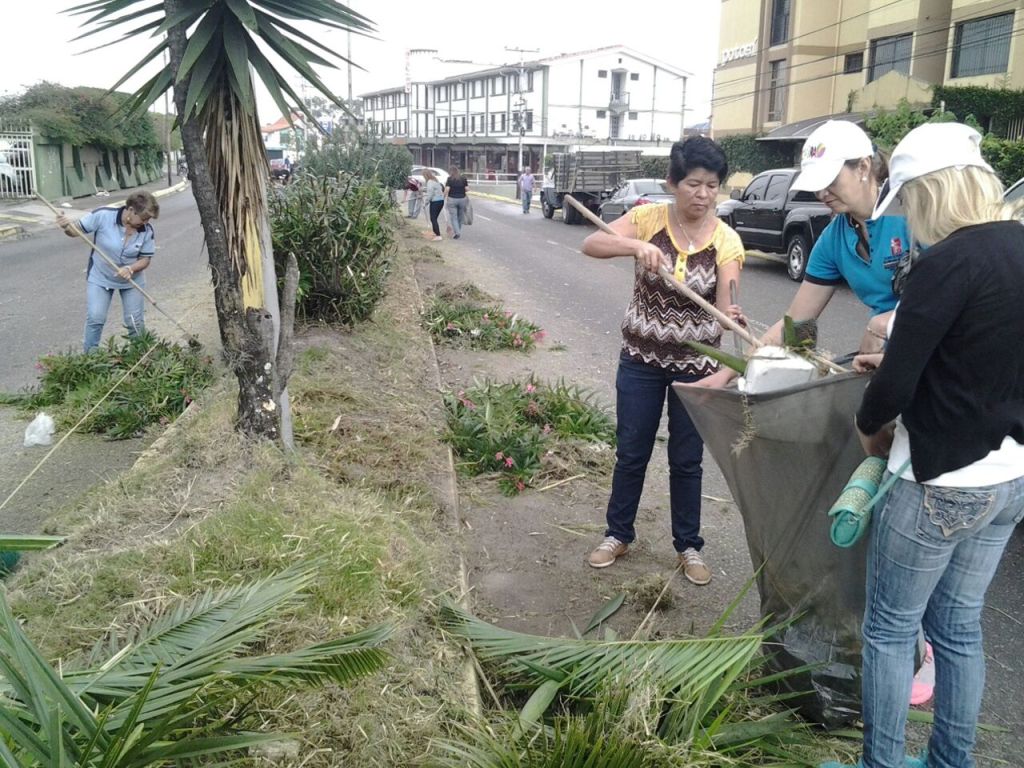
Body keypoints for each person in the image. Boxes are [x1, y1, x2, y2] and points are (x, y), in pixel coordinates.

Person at [833, 123, 1024, 768]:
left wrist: (870, 430)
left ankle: (879, 764)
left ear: (930, 193)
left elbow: (890, 392)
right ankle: (950, 762)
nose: (908, 219)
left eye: (909, 203)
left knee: (889, 631)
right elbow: (984, 353)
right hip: (1010, 477)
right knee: (961, 628)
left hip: (940, 483)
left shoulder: (944, 262)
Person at [582, 136, 745, 585]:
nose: (703, 194)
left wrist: (732, 314)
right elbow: (592, 244)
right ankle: (618, 534)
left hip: (698, 369)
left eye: (713, 186)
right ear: (673, 183)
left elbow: (729, 300)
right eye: (694, 184)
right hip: (640, 359)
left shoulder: (727, 240)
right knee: (631, 452)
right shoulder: (649, 218)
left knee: (687, 460)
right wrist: (635, 248)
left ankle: (688, 546)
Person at [703, 120, 909, 387]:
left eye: (830, 181)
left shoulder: (911, 215)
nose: (822, 193)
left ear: (863, 167)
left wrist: (887, 322)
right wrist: (730, 373)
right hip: (883, 356)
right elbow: (796, 322)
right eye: (817, 184)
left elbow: (956, 293)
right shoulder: (834, 239)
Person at [55, 191, 159, 352]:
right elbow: (75, 231)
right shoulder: (103, 215)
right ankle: (90, 359)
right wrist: (65, 226)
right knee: (96, 318)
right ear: (131, 210)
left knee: (134, 322)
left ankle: (140, 357)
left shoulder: (147, 230)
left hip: (132, 280)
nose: (146, 222)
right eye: (144, 218)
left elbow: (145, 259)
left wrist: (130, 268)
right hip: (100, 276)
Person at [444, 166, 469, 239]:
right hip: (462, 199)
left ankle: (457, 232)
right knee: (460, 217)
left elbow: (447, 189)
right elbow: (467, 189)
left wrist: (444, 196)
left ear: (451, 172)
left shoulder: (449, 179)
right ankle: (458, 231)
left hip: (452, 199)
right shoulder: (463, 179)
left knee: (454, 217)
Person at [422, 169, 445, 241]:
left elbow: (430, 194)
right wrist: (423, 190)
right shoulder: (435, 180)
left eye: (423, 175)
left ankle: (438, 235)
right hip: (441, 201)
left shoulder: (429, 182)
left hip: (435, 202)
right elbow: (434, 190)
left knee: (433, 219)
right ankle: (435, 233)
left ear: (426, 175)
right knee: (434, 218)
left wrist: (425, 203)